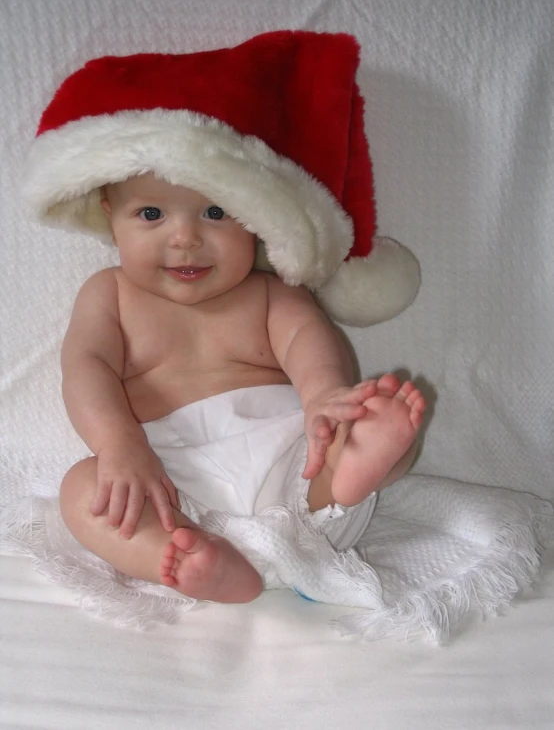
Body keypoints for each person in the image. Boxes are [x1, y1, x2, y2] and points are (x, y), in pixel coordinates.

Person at [23, 31, 424, 606]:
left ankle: (352, 469)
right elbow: (84, 367)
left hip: (297, 465)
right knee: (82, 491)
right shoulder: (108, 294)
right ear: (110, 214)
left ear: (256, 220)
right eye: (152, 213)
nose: (185, 238)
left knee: (355, 423)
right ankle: (187, 559)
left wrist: (324, 401)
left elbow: (311, 341)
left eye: (215, 212)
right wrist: (117, 444)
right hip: (166, 480)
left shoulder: (269, 294)